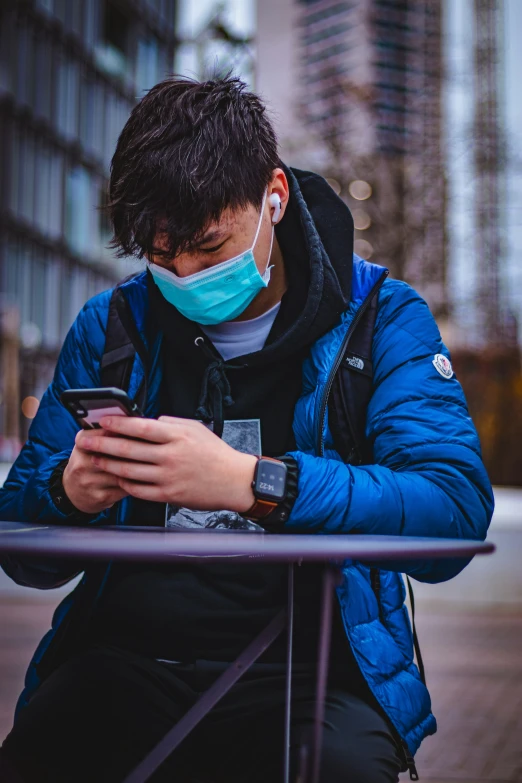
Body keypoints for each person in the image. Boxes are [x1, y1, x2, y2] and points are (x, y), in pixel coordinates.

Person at [0, 76, 493, 783]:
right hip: (124, 658)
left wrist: (256, 483)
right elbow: (21, 544)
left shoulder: (383, 318)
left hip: (316, 671)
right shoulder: (114, 326)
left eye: (208, 246)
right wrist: (69, 490)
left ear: (274, 196)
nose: (186, 275)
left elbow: (451, 513)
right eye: (161, 257)